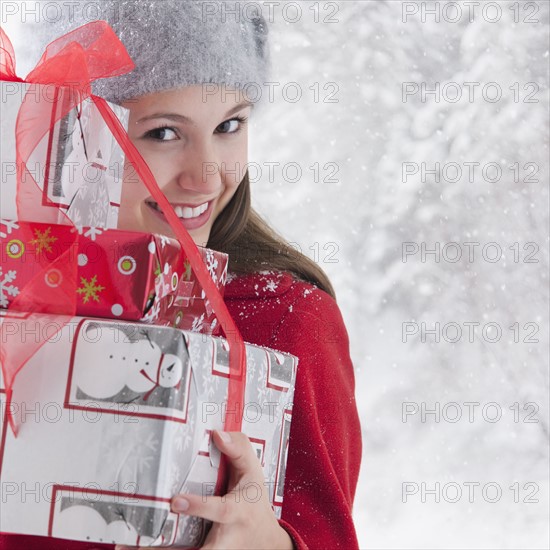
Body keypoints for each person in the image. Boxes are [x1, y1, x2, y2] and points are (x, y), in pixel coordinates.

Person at [0, 1, 362, 549]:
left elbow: (328, 536)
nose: (207, 177)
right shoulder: (14, 288)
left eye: (229, 125)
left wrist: (270, 542)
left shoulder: (281, 317)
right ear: (69, 137)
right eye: (164, 134)